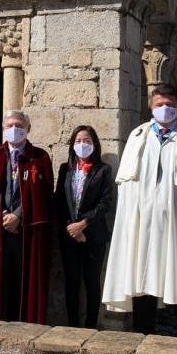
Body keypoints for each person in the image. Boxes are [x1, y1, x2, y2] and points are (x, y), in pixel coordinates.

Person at [102, 84, 177, 338]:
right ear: (151, 107)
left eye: (170, 105)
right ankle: (144, 328)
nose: (165, 109)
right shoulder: (138, 137)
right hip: (144, 220)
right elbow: (126, 185)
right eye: (159, 105)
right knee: (143, 270)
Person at [0, 111, 54, 323]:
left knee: (22, 277)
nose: (14, 129)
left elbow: (44, 196)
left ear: (28, 129)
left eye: (18, 125)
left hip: (25, 231)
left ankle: (23, 320)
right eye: (9, 125)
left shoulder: (40, 157)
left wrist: (18, 216)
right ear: (3, 129)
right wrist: (2, 214)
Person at [54, 125, 113, 329]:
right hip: (70, 235)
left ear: (94, 144)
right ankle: (72, 324)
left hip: (93, 235)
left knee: (91, 282)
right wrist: (72, 228)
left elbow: (105, 202)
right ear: (72, 144)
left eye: (87, 140)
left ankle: (90, 324)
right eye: (78, 141)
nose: (82, 144)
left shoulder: (103, 170)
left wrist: (83, 224)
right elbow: (60, 201)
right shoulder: (66, 169)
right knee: (71, 282)